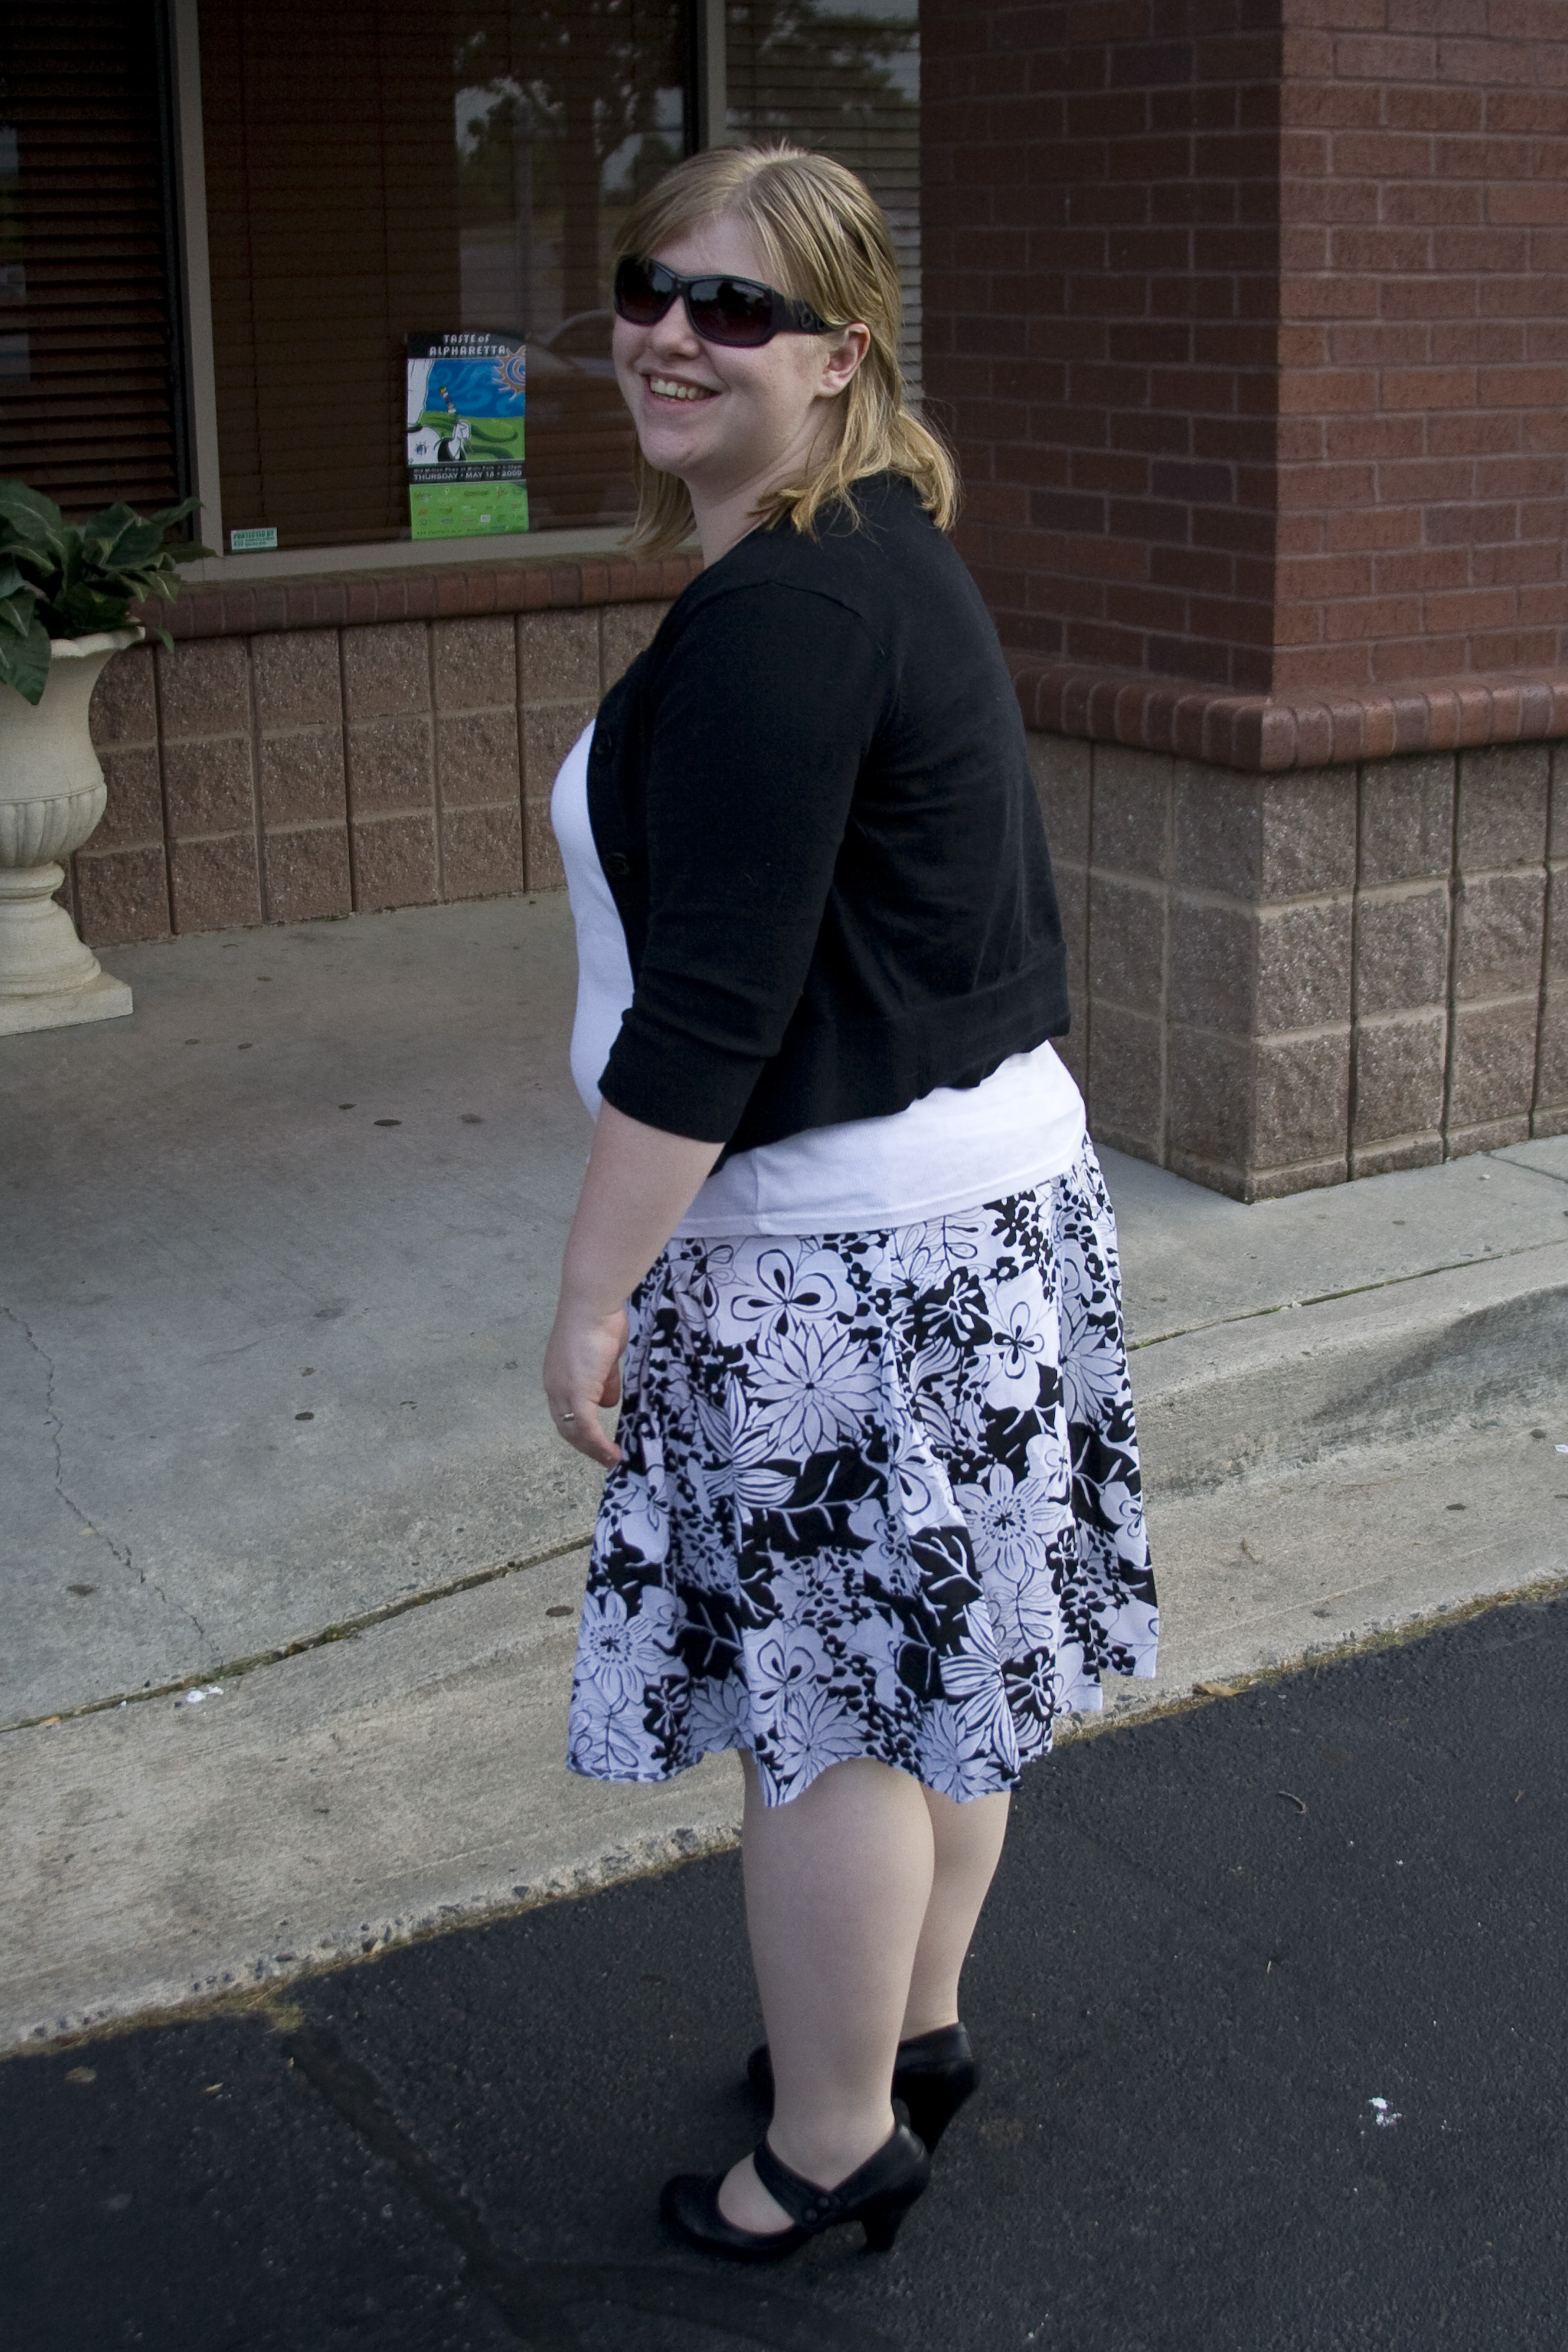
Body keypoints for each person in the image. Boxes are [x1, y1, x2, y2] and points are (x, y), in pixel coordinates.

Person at [543, 143, 1157, 2261]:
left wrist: (592, 1292)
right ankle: (907, 2032)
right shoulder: (874, 545)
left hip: (839, 1256)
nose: (671, 335)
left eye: (735, 308)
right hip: (980, 1212)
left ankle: (825, 2149)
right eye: (648, 288)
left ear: (839, 354)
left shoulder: (788, 609)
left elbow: (711, 1012)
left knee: (824, 1727)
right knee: (928, 1675)